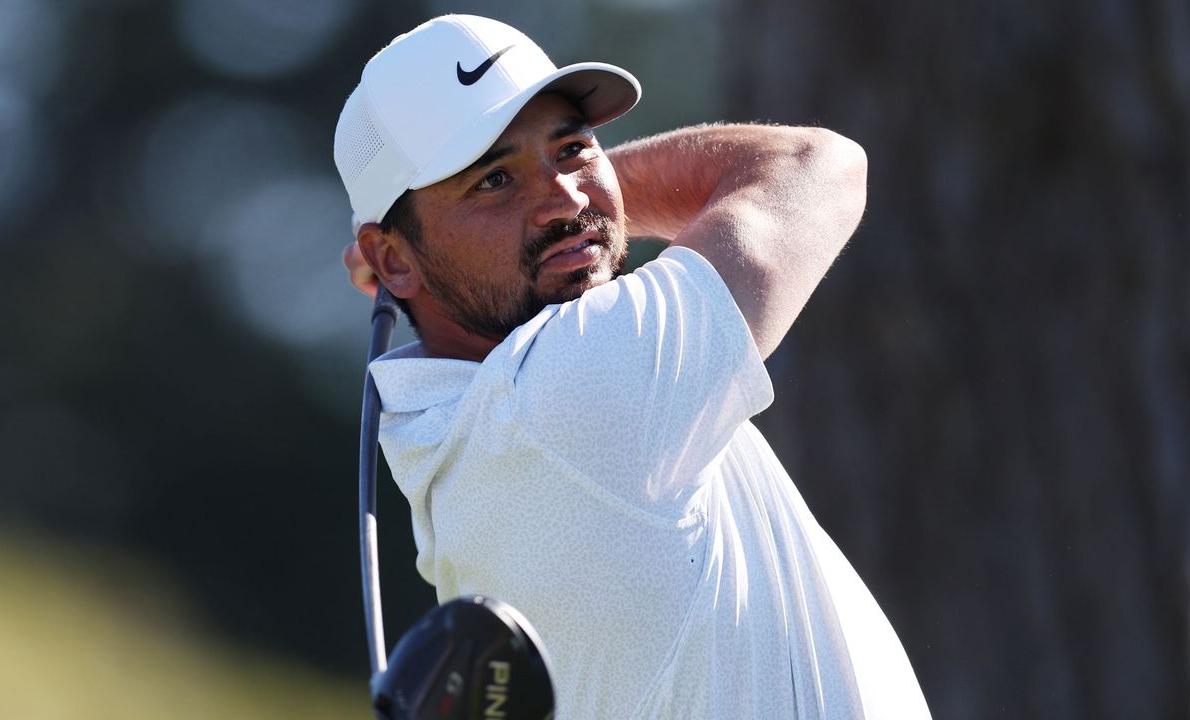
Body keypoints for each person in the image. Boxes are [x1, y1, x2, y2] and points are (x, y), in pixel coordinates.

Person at [335, 14, 931, 720]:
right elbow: (813, 167)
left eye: (574, 149)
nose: (565, 198)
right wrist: (602, 200)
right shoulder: (570, 392)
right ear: (392, 262)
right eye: (494, 179)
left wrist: (434, 245)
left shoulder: (464, 441)